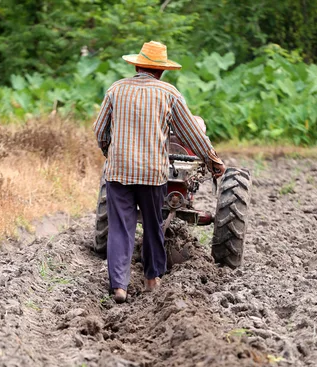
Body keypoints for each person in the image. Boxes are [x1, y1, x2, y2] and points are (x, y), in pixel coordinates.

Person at [93, 40, 225, 304]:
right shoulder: (169, 93)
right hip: (153, 173)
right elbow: (193, 134)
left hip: (119, 172)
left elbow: (100, 130)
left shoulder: (116, 90)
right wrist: (212, 161)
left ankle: (119, 286)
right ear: (161, 70)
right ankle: (153, 279)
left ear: (138, 65)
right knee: (153, 225)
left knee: (121, 227)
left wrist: (110, 151)